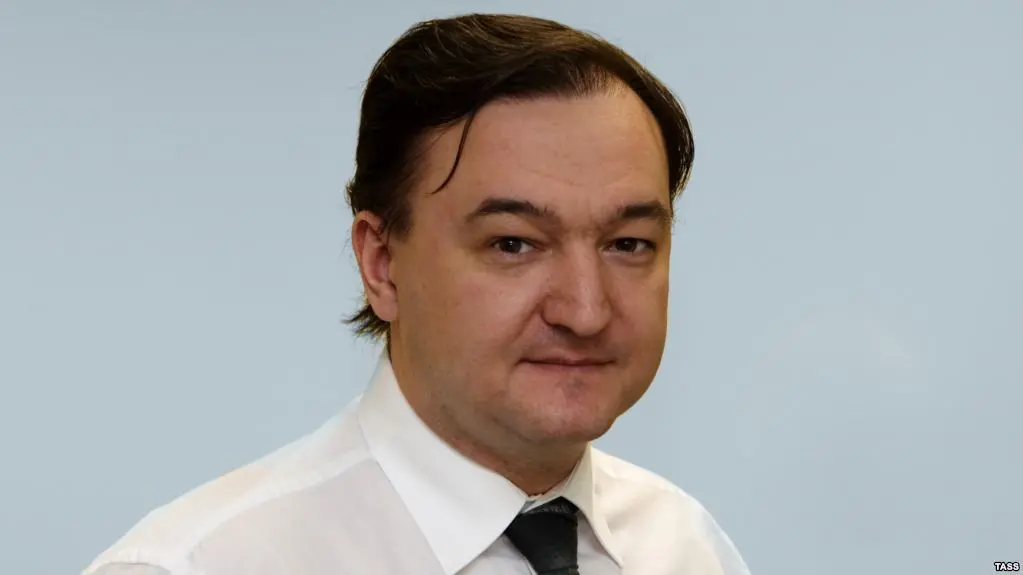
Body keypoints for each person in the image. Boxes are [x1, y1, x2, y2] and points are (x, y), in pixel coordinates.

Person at [84, 13, 750, 575]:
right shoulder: (202, 564)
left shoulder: (684, 546)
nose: (584, 309)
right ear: (382, 264)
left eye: (627, 244)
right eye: (512, 243)